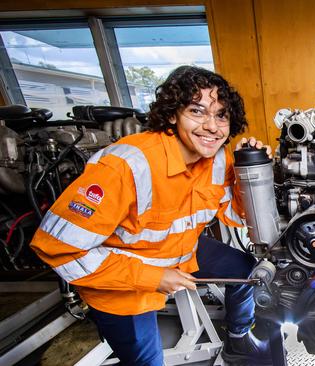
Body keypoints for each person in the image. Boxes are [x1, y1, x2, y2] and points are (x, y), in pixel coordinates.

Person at [30, 66, 273, 365]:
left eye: (221, 115)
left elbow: (235, 215)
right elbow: (55, 247)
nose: (212, 126)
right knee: (147, 361)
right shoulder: (126, 166)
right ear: (172, 114)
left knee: (245, 269)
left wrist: (251, 176)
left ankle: (238, 337)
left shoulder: (218, 158)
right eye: (198, 111)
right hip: (120, 279)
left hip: (179, 252)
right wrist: (153, 277)